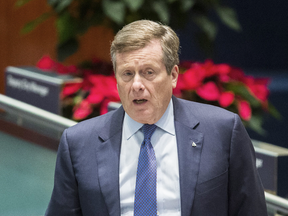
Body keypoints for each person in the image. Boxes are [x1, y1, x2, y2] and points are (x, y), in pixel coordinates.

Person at [45, 20, 268, 216]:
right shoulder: (78, 143)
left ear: (173, 75)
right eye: (127, 74)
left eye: (148, 72)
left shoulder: (223, 131)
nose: (137, 85)